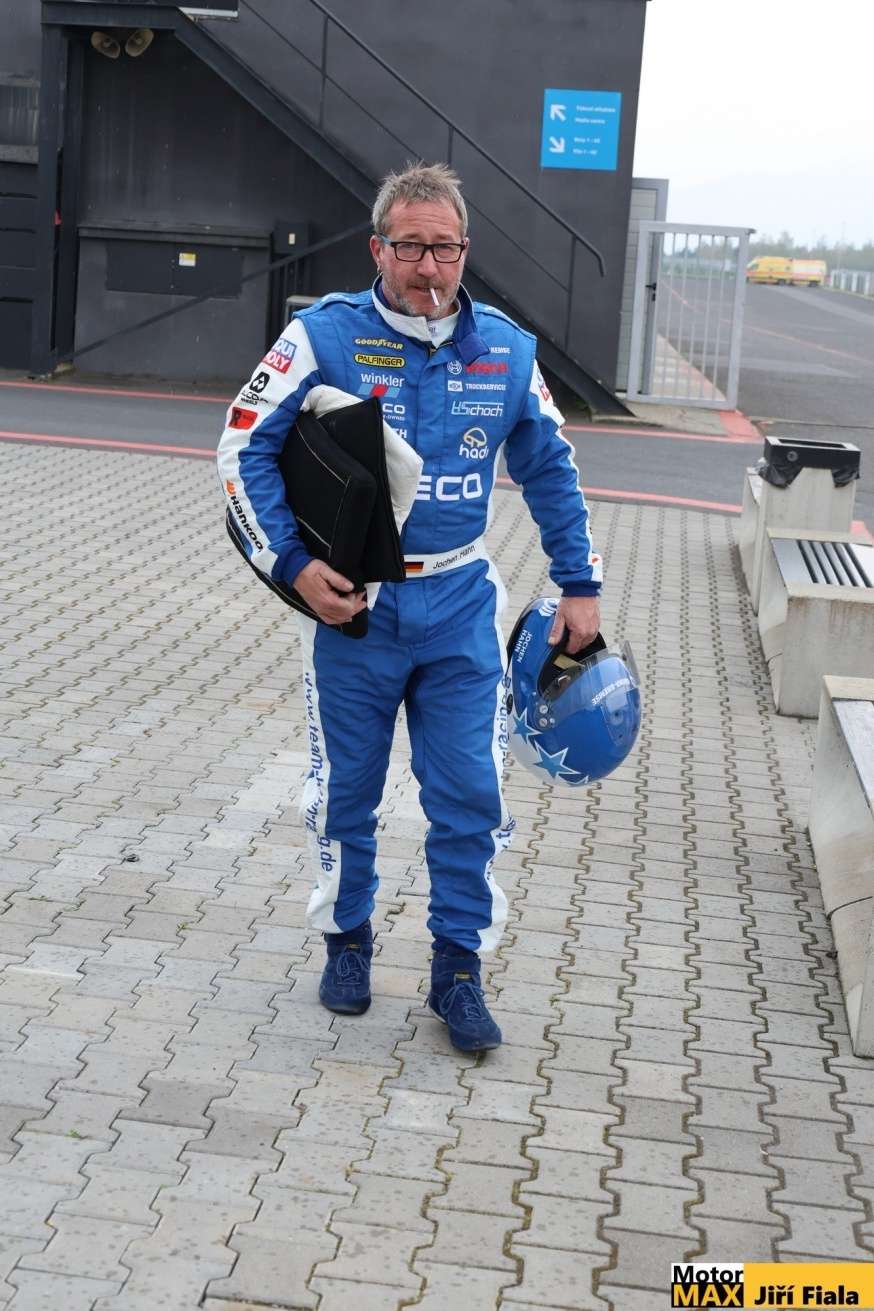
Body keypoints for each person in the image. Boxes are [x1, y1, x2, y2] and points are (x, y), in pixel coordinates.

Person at [217, 161, 601, 1052]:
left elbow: (551, 467)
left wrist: (580, 585)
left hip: (461, 603)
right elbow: (242, 446)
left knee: (470, 791)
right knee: (347, 790)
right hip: (355, 610)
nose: (430, 267)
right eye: (411, 247)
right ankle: (347, 940)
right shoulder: (323, 335)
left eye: (446, 248)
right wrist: (293, 566)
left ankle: (458, 967)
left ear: (467, 249)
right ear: (377, 249)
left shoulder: (506, 350)